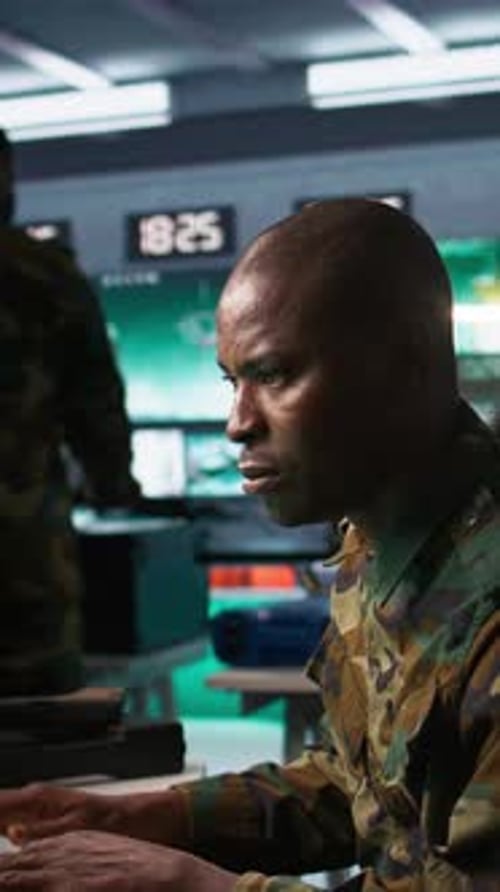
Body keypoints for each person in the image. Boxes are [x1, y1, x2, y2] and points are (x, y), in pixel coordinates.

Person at [0, 198, 498, 889]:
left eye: (273, 375)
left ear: (404, 366)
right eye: (233, 382)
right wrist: (162, 817)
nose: (236, 424)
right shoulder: (379, 534)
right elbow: (363, 790)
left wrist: (192, 884)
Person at [0, 129, 141, 696]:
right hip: (18, 570)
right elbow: (98, 413)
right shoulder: (42, 278)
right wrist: (113, 487)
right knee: (38, 742)